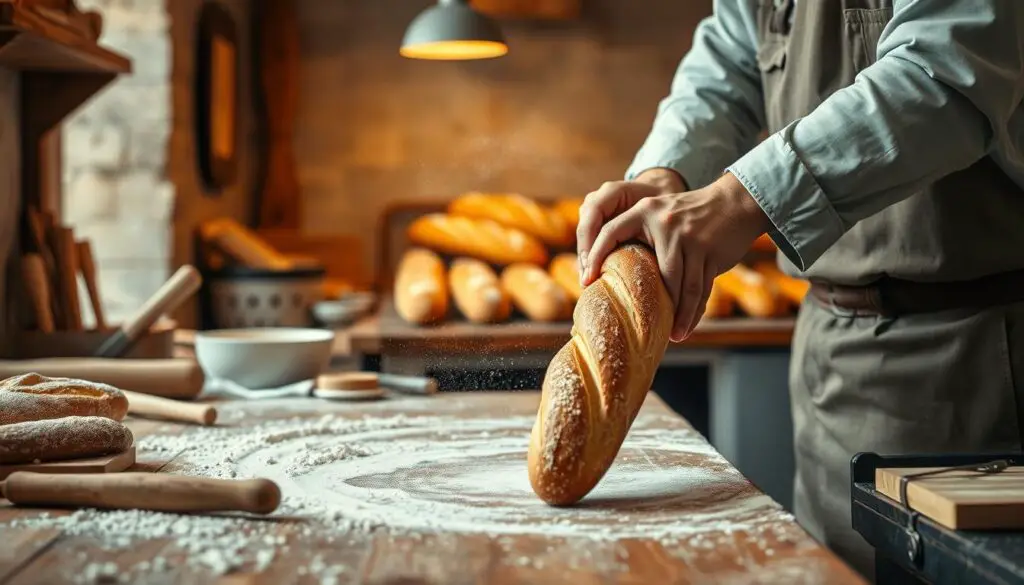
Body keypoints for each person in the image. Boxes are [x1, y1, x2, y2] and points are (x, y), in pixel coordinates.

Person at [576, 0, 1024, 577]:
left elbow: (946, 71)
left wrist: (738, 200)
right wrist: (668, 173)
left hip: (980, 356)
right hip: (826, 360)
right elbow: (731, 61)